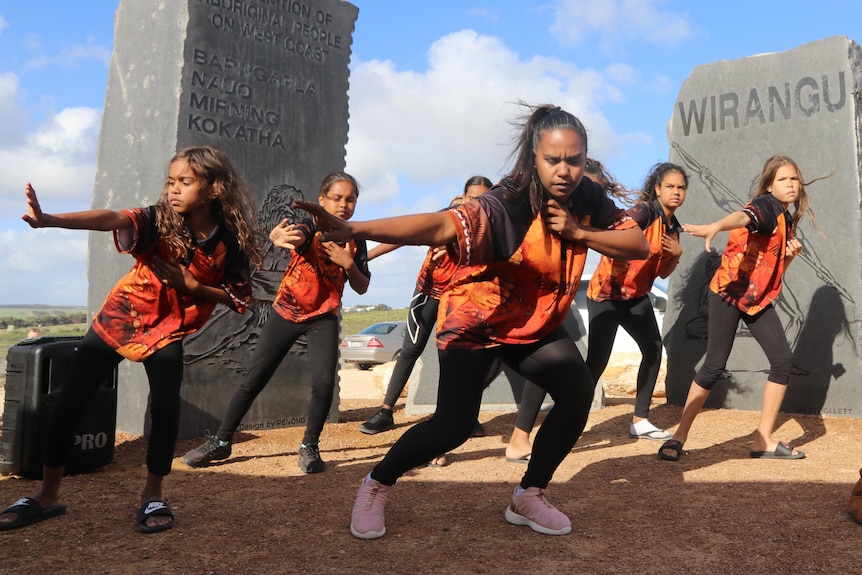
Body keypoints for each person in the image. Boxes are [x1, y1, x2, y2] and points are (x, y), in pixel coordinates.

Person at [295, 103, 650, 539]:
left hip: (532, 323)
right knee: (454, 426)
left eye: (574, 160)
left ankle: (528, 495)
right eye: (552, 160)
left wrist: (579, 233)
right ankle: (376, 483)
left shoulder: (587, 198)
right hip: (475, 322)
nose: (564, 170)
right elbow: (442, 226)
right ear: (533, 158)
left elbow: (637, 245)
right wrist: (359, 229)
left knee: (577, 391)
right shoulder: (507, 202)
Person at [0, 146, 261, 534]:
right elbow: (113, 217)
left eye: (185, 182)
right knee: (68, 402)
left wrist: (192, 285)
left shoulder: (230, 242)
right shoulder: (158, 219)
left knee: (166, 408)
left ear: (214, 188)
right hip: (121, 317)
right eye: (171, 181)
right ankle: (47, 494)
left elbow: (240, 297)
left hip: (167, 328)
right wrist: (50, 220)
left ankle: (152, 494)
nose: (173, 190)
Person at [182, 172, 370, 474]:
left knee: (323, 383)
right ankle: (221, 441)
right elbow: (298, 235)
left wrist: (348, 264)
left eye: (350, 199)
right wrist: (282, 238)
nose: (343, 205)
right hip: (287, 311)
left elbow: (362, 286)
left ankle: (310, 445)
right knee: (254, 378)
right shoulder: (311, 224)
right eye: (336, 198)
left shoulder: (356, 239)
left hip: (323, 317)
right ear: (322, 200)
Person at [658, 154, 815, 462]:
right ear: (770, 185)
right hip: (728, 293)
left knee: (782, 360)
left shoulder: (784, 218)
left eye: (794, 178)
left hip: (754, 299)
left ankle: (762, 441)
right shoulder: (766, 206)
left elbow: (771, 269)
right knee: (714, 365)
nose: (790, 184)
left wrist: (790, 255)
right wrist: (716, 225)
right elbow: (744, 216)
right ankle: (678, 437)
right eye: (783, 179)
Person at [358, 176, 495, 467]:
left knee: (464, 357)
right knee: (411, 348)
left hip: (460, 296)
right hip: (428, 292)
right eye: (472, 197)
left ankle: (464, 416)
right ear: (462, 195)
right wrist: (366, 257)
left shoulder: (490, 227)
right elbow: (403, 236)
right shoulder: (446, 217)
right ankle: (385, 411)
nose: (475, 204)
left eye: (482, 199)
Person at [586, 161, 686, 441]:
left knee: (653, 351)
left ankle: (640, 420)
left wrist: (677, 254)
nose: (676, 192)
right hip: (607, 293)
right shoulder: (644, 212)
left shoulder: (673, 228)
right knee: (596, 361)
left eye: (681, 187)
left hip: (636, 297)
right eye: (670, 186)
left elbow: (662, 272)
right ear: (657, 189)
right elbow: (616, 232)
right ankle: (572, 418)